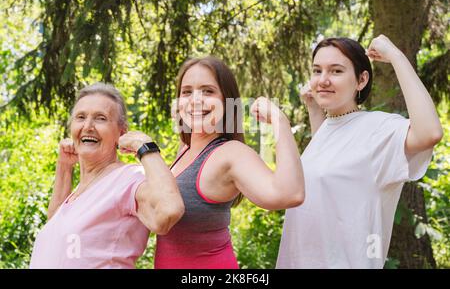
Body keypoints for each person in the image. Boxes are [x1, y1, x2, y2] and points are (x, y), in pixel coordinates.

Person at [276, 35, 443, 269]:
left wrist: (396, 56)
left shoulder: (377, 129)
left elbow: (429, 133)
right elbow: (331, 171)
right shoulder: (328, 129)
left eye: (336, 71)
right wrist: (314, 109)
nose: (323, 80)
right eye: (317, 71)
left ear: (361, 80)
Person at [154, 56, 305, 269]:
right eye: (187, 91)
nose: (195, 100)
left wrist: (280, 122)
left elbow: (290, 194)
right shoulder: (185, 149)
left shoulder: (230, 153)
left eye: (208, 91)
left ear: (227, 100)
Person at [30, 83, 184, 268]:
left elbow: (168, 212)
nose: (88, 126)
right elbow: (56, 230)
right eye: (80, 117)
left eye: (100, 118)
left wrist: (145, 146)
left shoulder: (129, 177)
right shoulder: (82, 189)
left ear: (122, 132)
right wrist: (64, 167)